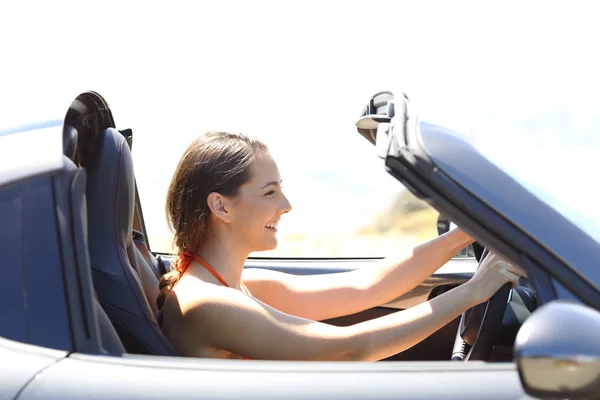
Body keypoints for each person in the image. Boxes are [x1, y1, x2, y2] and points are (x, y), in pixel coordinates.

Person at [157, 131, 525, 361]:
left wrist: (464, 233)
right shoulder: (208, 302)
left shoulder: (234, 285)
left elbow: (366, 286)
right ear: (221, 206)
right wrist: (474, 291)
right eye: (270, 192)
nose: (285, 205)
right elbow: (349, 349)